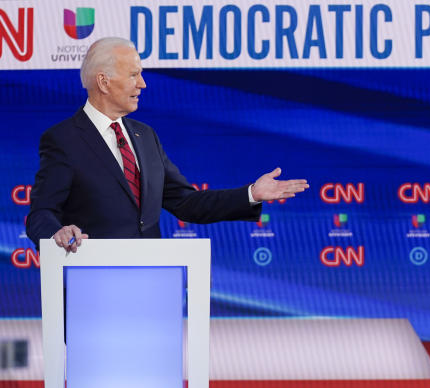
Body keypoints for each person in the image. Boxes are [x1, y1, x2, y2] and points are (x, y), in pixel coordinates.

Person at [26, 37, 309, 252]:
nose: (143, 84)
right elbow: (41, 213)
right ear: (104, 82)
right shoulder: (63, 140)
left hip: (152, 283)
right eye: (134, 75)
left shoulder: (145, 136)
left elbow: (187, 203)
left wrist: (250, 194)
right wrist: (57, 235)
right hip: (90, 286)